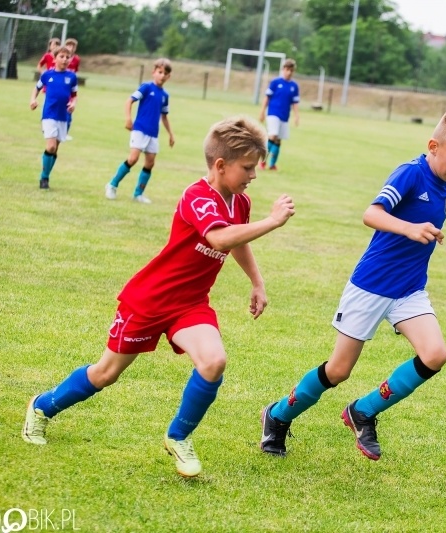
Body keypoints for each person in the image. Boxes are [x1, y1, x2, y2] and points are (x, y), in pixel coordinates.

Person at [23, 117, 297, 479]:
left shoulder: (240, 202)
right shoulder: (197, 196)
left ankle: (178, 437)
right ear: (220, 165)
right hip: (150, 300)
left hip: (191, 304)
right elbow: (218, 238)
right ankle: (41, 408)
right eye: (247, 167)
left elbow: (237, 240)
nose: (253, 175)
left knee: (213, 362)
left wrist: (257, 282)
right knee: (105, 374)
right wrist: (273, 221)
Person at [260, 105, 446, 460]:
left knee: (435, 355)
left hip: (409, 289)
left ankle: (363, 410)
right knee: (338, 371)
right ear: (433, 146)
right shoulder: (410, 174)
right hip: (371, 285)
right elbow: (371, 214)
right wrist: (411, 229)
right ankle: (276, 416)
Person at [105, 58, 175, 204]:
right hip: (140, 129)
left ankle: (138, 194)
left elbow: (164, 116)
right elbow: (129, 101)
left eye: (165, 73)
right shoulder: (146, 87)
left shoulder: (165, 96)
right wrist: (128, 119)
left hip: (153, 133)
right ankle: (112, 185)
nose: (162, 75)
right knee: (133, 159)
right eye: (160, 72)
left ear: (169, 76)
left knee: (150, 163)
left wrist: (170, 134)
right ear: (153, 72)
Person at [29, 46, 77, 190]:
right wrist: (32, 100)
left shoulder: (72, 77)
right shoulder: (47, 75)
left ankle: (46, 176)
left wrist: (73, 104)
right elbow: (36, 88)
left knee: (55, 149)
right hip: (49, 115)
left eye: (67, 57)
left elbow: (74, 96)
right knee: (50, 146)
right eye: (61, 56)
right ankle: (44, 178)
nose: (64, 59)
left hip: (64, 117)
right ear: (54, 58)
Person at [258, 58, 300, 171]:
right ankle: (262, 162)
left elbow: (295, 103)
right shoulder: (275, 82)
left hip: (284, 116)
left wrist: (297, 116)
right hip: (273, 113)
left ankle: (272, 164)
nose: (289, 72)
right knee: (273, 135)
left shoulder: (294, 86)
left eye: (291, 70)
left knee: (278, 140)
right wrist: (262, 112)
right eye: (287, 69)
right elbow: (267, 98)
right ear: (283, 69)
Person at [63, 38, 81, 141]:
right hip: (60, 85)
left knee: (70, 108)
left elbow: (75, 72)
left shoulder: (77, 59)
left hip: (70, 87)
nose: (70, 47)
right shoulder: (61, 57)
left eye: (73, 46)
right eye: (69, 45)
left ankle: (65, 133)